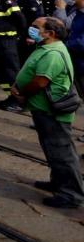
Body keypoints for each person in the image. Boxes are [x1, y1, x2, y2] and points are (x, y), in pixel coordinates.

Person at [11, 17, 83, 208]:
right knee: (53, 151)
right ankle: (58, 181)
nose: (31, 29)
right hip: (43, 109)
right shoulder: (47, 48)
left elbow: (41, 81)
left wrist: (22, 93)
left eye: (36, 27)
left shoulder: (53, 53)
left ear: (50, 33)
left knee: (62, 153)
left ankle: (71, 195)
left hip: (52, 111)